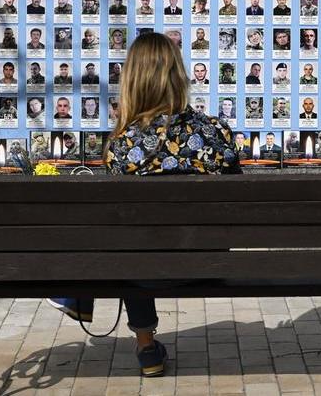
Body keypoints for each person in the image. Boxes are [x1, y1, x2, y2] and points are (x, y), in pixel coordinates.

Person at [50, 33, 240, 376]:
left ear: (132, 80)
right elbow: (240, 200)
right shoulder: (215, 131)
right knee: (136, 238)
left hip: (143, 269)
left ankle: (144, 347)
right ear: (178, 75)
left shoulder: (121, 145)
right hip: (207, 264)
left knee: (129, 237)